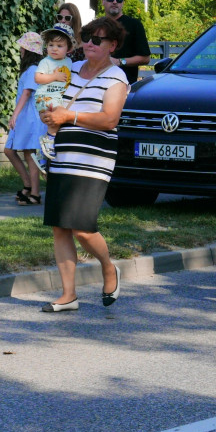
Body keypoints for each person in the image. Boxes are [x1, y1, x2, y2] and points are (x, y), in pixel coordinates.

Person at [39, 16, 129, 312]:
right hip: (62, 156)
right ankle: (68, 295)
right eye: (86, 38)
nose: (89, 44)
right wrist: (49, 114)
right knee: (60, 227)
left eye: (97, 40)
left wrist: (70, 117)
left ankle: (108, 267)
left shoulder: (117, 77)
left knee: (82, 228)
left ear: (112, 45)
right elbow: (53, 101)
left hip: (93, 160)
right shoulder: (71, 69)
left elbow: (109, 119)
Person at [4, 32, 46, 206]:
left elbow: (27, 92)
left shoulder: (32, 70)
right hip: (25, 117)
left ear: (28, 50)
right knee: (12, 151)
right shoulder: (31, 70)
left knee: (30, 155)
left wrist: (14, 114)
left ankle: (34, 192)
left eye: (23, 46)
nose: (20, 49)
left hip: (30, 118)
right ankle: (29, 186)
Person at [34, 23, 75, 160]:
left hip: (59, 97)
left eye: (59, 46)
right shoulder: (46, 62)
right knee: (56, 117)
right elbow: (37, 78)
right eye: (51, 45)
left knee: (59, 122)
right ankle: (49, 141)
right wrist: (54, 77)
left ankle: (43, 153)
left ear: (68, 48)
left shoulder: (69, 62)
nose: (54, 49)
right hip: (45, 96)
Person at [101, 0, 150, 82]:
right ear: (103, 1)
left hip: (125, 85)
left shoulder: (134, 25)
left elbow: (145, 58)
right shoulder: (97, 25)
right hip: (98, 82)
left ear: (123, 3)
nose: (115, 2)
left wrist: (119, 61)